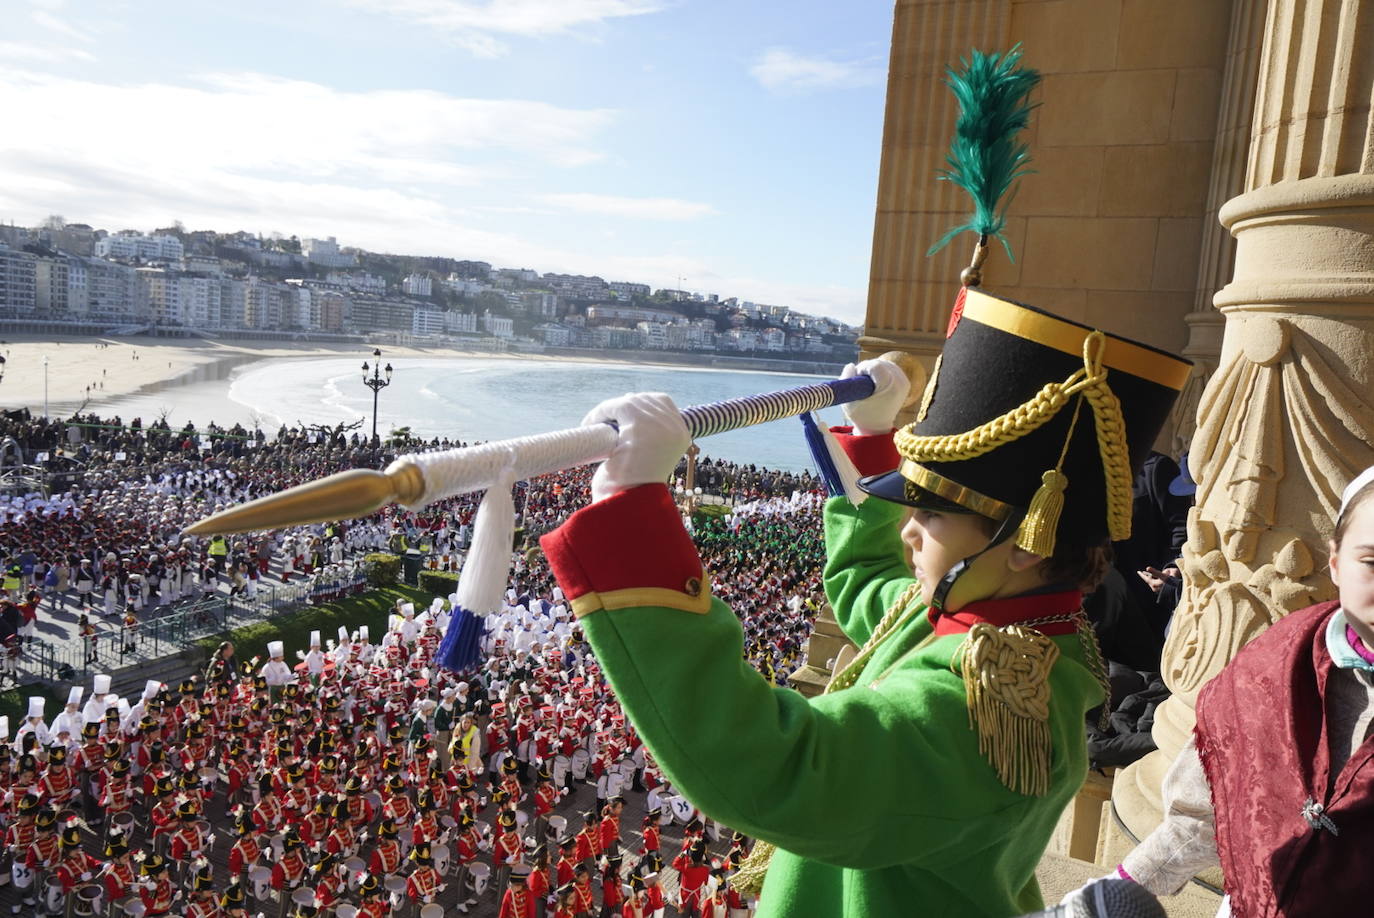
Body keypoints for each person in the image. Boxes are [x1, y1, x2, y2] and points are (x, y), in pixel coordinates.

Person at [538, 285, 1188, 916]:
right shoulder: (999, 623)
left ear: (1024, 544)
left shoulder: (982, 701)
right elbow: (866, 577)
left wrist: (630, 520)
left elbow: (777, 769)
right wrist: (872, 433)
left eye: (930, 514)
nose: (908, 530)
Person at [1118, 465, 1374, 915]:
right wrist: (1123, 888)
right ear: (1335, 561)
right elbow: (1209, 807)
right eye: (1371, 562)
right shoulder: (1276, 663)